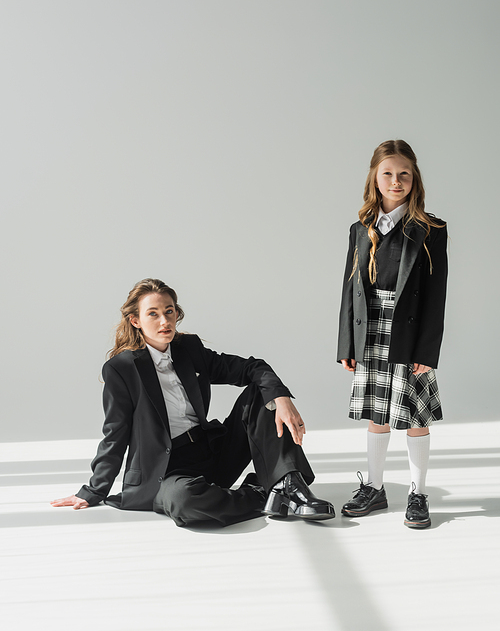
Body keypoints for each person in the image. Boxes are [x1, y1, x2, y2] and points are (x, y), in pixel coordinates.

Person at [52, 278, 335, 526]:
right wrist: (93, 491)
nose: (164, 321)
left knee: (263, 394)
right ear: (135, 321)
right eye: (153, 314)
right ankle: (267, 492)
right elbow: (115, 433)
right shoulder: (121, 369)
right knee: (184, 502)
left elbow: (252, 368)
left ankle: (289, 484)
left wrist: (280, 397)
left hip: (212, 453)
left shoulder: (189, 349)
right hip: (168, 470)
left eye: (169, 311)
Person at [337, 140, 447, 529]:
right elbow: (350, 290)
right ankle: (376, 488)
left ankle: (418, 493)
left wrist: (427, 352)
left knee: (416, 416)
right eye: (388, 173)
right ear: (375, 178)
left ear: (414, 177)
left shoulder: (430, 229)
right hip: (370, 330)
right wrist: (346, 345)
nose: (396, 181)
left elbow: (436, 297)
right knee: (376, 414)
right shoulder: (359, 228)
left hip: (411, 332)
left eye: (404, 173)